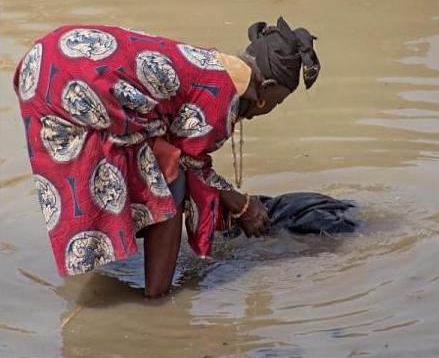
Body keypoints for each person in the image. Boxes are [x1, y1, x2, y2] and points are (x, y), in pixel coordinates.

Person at [13, 17, 320, 297]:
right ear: (265, 89)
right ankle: (157, 298)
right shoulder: (222, 95)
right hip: (71, 84)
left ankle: (114, 267)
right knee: (171, 187)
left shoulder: (213, 65)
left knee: (150, 163)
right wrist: (243, 206)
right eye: (277, 102)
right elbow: (190, 162)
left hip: (47, 61)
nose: (269, 110)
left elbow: (170, 141)